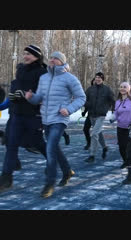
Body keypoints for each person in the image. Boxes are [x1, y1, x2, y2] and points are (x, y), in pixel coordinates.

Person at [25, 51, 86, 198]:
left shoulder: (70, 78)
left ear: (62, 61)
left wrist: (69, 109)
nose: (51, 60)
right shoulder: (44, 78)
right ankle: (67, 171)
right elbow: (39, 98)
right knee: (54, 148)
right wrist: (31, 97)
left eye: (55, 58)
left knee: (50, 148)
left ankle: (49, 183)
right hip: (46, 119)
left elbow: (81, 97)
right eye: (51, 58)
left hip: (59, 119)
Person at [0, 45, 48, 193]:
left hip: (33, 115)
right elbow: (14, 93)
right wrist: (12, 97)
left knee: (36, 143)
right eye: (25, 53)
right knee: (11, 143)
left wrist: (27, 96)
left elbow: (45, 96)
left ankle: (54, 160)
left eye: (29, 54)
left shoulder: (43, 74)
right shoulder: (20, 71)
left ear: (37, 57)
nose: (26, 56)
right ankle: (6, 178)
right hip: (16, 114)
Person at [84, 72, 115, 163]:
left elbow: (112, 101)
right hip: (92, 115)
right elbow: (84, 99)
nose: (98, 79)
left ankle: (92, 155)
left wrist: (113, 109)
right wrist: (86, 106)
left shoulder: (107, 89)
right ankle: (105, 147)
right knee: (98, 132)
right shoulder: (90, 89)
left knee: (94, 134)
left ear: (103, 79)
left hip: (101, 115)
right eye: (96, 77)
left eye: (100, 78)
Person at [114, 82, 131, 169]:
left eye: (125, 87)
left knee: (129, 147)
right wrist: (114, 117)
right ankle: (125, 161)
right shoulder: (118, 101)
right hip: (120, 127)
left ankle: (129, 163)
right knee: (121, 147)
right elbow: (116, 112)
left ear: (128, 89)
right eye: (121, 87)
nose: (122, 88)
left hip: (130, 127)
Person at [81, 78, 107, 152]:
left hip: (99, 115)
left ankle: (103, 146)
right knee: (86, 129)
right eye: (94, 82)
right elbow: (87, 103)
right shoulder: (90, 92)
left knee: (97, 131)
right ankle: (89, 143)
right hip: (90, 115)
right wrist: (84, 111)